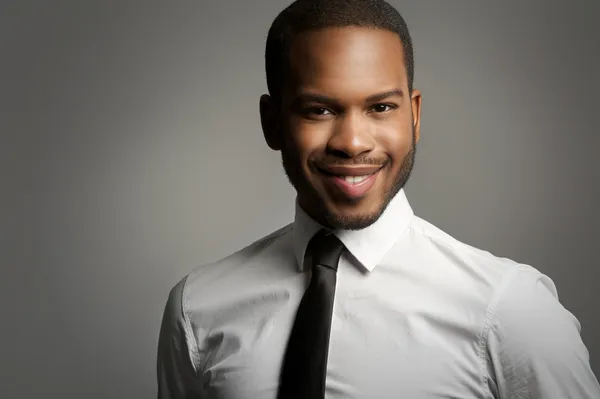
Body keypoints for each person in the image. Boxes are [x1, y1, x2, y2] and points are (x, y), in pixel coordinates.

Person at [156, 0, 600, 398]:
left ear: (415, 115)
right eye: (319, 109)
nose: (351, 142)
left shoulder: (509, 311)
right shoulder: (197, 310)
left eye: (381, 108)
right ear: (272, 123)